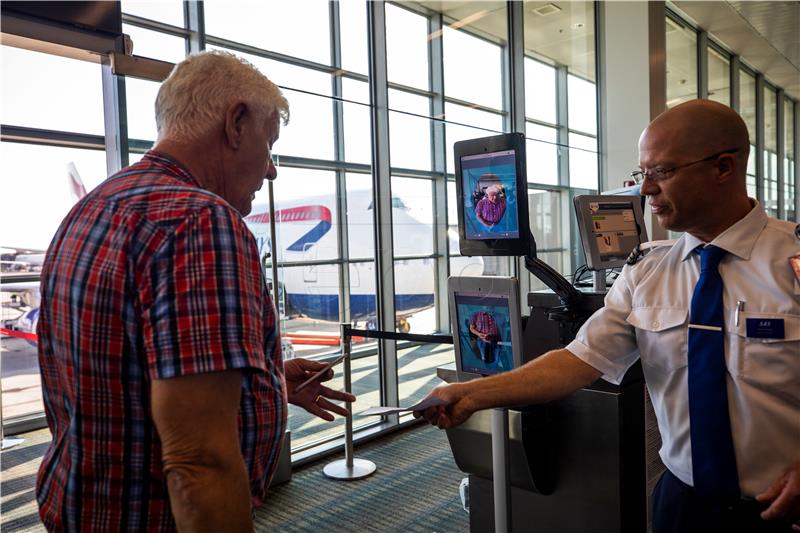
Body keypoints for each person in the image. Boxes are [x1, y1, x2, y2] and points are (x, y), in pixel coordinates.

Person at [418, 99, 799, 532]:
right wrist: (472, 395)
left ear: (724, 167)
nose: (645, 189)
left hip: (784, 507)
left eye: (662, 171)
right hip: (682, 502)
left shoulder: (793, 262)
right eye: (642, 174)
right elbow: (579, 359)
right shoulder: (648, 270)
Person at [35, 51, 355, 531]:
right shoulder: (201, 222)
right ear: (235, 124)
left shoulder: (95, 206)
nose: (271, 171)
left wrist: (262, 380)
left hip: (84, 508)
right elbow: (198, 462)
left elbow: (120, 377)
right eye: (269, 146)